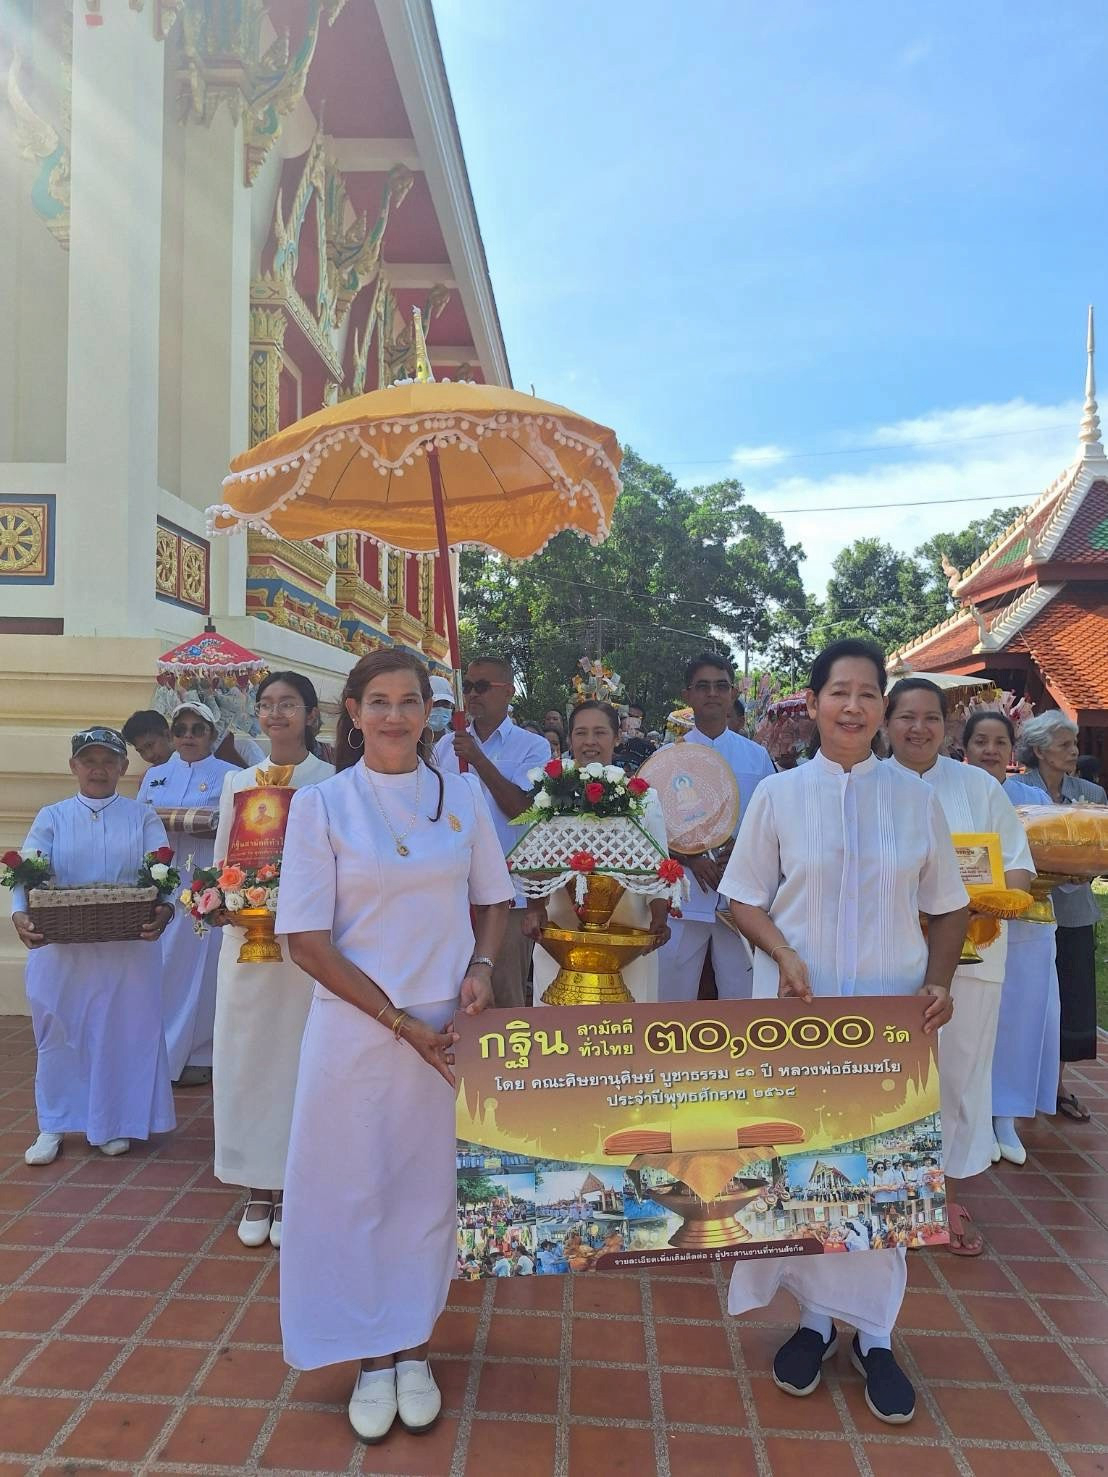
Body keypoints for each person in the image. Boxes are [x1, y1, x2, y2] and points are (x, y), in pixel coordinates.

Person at [720, 638, 966, 1425]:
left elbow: (950, 903)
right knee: (804, 1169)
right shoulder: (781, 796)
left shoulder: (915, 798)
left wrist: (938, 980)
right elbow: (741, 897)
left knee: (881, 1175)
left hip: (888, 1021)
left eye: (868, 694)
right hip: (798, 1017)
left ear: (883, 709)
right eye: (839, 692)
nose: (854, 707)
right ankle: (815, 1321)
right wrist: (786, 953)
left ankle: (878, 1334)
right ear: (815, 703)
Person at [275, 650, 512, 1443]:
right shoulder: (323, 806)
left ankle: (413, 1342)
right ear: (350, 711)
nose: (395, 717)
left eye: (410, 701)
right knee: (352, 1190)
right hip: (357, 1032)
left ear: (431, 712)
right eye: (378, 701)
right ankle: (367, 1353)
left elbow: (493, 901)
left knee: (425, 1191)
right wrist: (397, 1021)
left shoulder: (463, 794)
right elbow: (306, 941)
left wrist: (479, 969)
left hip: (445, 1033)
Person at [885, 678, 1033, 1254]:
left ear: (948, 727)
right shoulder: (864, 786)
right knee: (892, 1077)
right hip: (891, 953)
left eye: (930, 718)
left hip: (971, 954)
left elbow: (1017, 871)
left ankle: (942, 1195)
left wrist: (980, 903)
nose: (918, 728)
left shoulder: (979, 787)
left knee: (959, 1076)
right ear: (885, 722)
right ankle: (888, 1194)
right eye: (906, 717)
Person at [13, 727, 176, 1165]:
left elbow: (163, 873)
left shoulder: (142, 816)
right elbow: (27, 872)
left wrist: (164, 908)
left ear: (123, 767)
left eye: (108, 761)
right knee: (57, 1032)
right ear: (74, 767)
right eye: (89, 761)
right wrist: (18, 914)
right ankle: (53, 1124)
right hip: (62, 947)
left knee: (121, 1032)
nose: (98, 769)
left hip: (127, 948)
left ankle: (112, 1123)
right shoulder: (51, 816)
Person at [210, 672, 334, 1248]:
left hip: (308, 950)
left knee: (301, 1057)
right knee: (247, 1055)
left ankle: (295, 1180)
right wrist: (219, 901)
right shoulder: (238, 782)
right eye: (267, 705)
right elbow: (219, 861)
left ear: (312, 714)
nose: (276, 713)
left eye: (289, 704)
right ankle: (256, 1182)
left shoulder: (331, 782)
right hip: (247, 943)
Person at [524, 701, 671, 1003]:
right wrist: (535, 908)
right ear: (570, 740)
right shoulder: (550, 796)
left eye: (600, 732)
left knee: (626, 1032)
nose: (590, 741)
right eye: (581, 733)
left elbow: (661, 868)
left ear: (616, 738)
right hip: (562, 932)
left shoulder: (644, 798)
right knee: (557, 1032)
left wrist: (659, 918)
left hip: (628, 933)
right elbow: (535, 862)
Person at [963, 710, 1059, 1163]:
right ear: (964, 747)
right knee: (970, 1021)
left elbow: (1056, 853)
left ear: (1012, 750)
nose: (990, 751)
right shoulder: (954, 790)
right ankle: (973, 1113)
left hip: (1027, 923)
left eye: (999, 742)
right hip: (962, 925)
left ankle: (1006, 1115)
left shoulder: (1032, 798)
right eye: (980, 741)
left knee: (1019, 1020)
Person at [657, 652, 776, 1002]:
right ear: (688, 695)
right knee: (670, 998)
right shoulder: (668, 758)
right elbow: (650, 826)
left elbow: (772, 820)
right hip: (685, 892)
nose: (712, 694)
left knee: (743, 997)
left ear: (732, 693)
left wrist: (742, 850)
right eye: (703, 686)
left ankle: (746, 1058)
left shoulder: (756, 756)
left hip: (741, 897)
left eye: (721, 686)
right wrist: (691, 858)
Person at [435, 655, 551, 1007]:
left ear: (508, 692)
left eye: (483, 686)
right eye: (468, 687)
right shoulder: (445, 747)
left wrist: (479, 760)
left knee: (505, 996)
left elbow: (521, 809)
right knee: (455, 994)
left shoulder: (533, 747)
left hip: (508, 893)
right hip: (453, 893)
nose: (473, 695)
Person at [139, 700, 237, 1085]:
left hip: (206, 882)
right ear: (171, 735)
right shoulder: (156, 775)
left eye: (199, 729)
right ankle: (160, 1048)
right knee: (165, 963)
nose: (189, 736)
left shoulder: (230, 775)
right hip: (165, 883)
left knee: (207, 964)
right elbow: (140, 821)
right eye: (181, 729)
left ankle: (204, 1052)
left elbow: (236, 827)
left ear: (212, 735)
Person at [1017, 711, 1107, 1122]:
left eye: (1074, 744)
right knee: (1027, 998)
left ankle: (1056, 1085)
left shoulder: (1089, 793)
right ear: (1038, 750)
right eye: (1064, 744)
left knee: (1071, 999)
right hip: (1026, 911)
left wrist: (1082, 869)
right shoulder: (1016, 792)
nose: (1073, 751)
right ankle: (1017, 1083)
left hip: (1073, 910)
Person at [427, 675, 455, 739]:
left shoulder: (456, 743)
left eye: (446, 703)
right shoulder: (410, 740)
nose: (440, 708)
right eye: (436, 703)